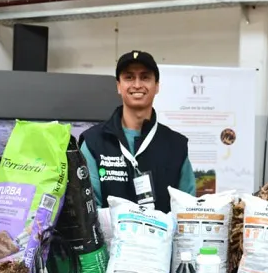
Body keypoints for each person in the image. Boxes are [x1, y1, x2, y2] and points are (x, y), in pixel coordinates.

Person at [79, 50, 196, 214]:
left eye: (145, 77)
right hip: (110, 232)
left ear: (157, 86)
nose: (137, 84)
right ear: (118, 86)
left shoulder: (176, 146)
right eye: (129, 77)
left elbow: (187, 210)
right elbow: (88, 210)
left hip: (163, 232)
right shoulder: (94, 142)